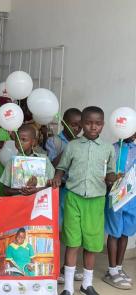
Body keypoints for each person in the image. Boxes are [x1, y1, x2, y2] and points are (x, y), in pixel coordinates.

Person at [50, 106, 116, 295]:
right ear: (81, 124)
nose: (92, 127)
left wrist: (114, 178)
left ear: (102, 125)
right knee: (72, 242)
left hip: (96, 201)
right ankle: (69, 287)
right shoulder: (72, 146)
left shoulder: (108, 148)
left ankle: (87, 284)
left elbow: (110, 172)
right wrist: (57, 176)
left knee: (92, 244)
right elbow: (61, 167)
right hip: (74, 198)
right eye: (88, 123)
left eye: (97, 123)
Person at [45, 108, 82, 284]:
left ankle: (67, 268)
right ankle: (55, 268)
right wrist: (70, 148)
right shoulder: (54, 142)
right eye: (74, 124)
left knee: (72, 230)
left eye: (79, 125)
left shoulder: (83, 142)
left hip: (75, 192)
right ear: (64, 123)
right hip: (59, 190)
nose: (78, 129)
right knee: (57, 230)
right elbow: (51, 166)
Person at [103, 132, 136, 290]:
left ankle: (119, 267)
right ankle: (111, 270)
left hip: (132, 198)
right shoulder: (113, 148)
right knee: (114, 233)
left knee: (125, 233)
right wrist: (112, 177)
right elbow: (105, 173)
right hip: (115, 197)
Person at [0, 124, 55, 196]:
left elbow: (52, 184)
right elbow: (6, 190)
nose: (19, 142)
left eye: (24, 140)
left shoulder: (44, 160)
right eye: (17, 139)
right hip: (18, 204)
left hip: (38, 204)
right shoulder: (12, 162)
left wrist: (37, 190)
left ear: (34, 142)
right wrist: (22, 191)